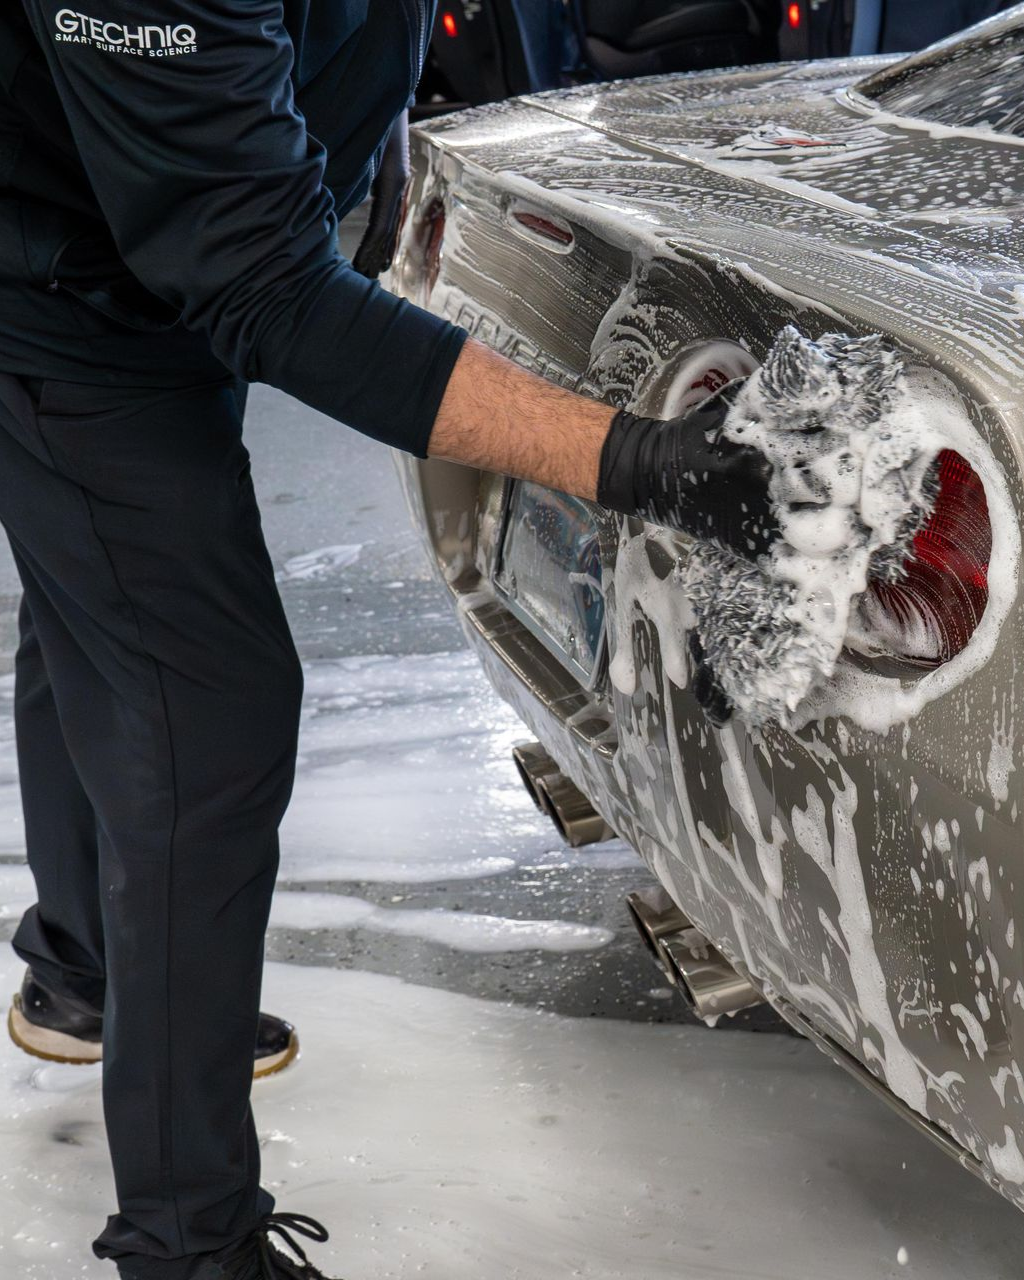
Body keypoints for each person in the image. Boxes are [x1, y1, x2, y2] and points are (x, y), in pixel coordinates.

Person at [0, 3, 789, 1277]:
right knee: (209, 722)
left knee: (92, 601)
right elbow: (259, 282)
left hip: (144, 256)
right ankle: (187, 1239)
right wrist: (629, 458)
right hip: (65, 320)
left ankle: (90, 970)